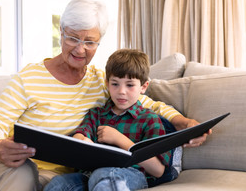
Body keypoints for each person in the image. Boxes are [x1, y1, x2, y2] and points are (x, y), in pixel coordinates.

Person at [0, 0, 209, 191]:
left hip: (59, 176)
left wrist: (183, 123)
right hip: (8, 162)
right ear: (61, 33)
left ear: (99, 42)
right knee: (23, 176)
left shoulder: (100, 81)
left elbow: (148, 104)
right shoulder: (28, 78)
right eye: (73, 37)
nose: (80, 49)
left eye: (89, 42)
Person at [44, 49, 176, 191]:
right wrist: (81, 141)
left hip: (129, 175)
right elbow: (81, 134)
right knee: (59, 184)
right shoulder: (96, 114)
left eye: (129, 85)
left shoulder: (150, 120)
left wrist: (119, 139)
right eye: (115, 84)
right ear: (107, 84)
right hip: (89, 174)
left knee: (106, 176)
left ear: (143, 87)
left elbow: (158, 170)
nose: (121, 91)